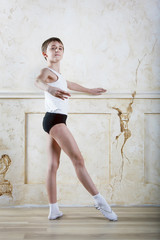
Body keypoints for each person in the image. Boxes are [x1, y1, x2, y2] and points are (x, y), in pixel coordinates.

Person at [35, 37, 118, 221]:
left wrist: (90, 90)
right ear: (45, 54)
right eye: (53, 48)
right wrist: (50, 90)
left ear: (63, 53)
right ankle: (100, 202)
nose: (57, 50)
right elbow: (38, 82)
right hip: (55, 120)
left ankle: (53, 209)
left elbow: (71, 85)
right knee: (78, 160)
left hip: (53, 120)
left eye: (60, 48)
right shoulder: (46, 72)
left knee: (52, 165)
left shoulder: (60, 77)